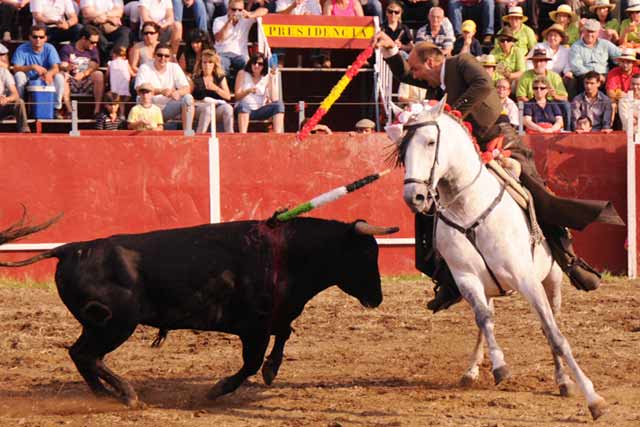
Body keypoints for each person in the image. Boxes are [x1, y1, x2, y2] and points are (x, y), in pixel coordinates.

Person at [374, 33, 621, 312]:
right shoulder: (436, 79)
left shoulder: (461, 62)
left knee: (537, 196)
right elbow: (407, 74)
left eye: (418, 69)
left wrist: (455, 113)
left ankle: (570, 261)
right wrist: (391, 51)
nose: (416, 77)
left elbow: (483, 85)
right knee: (431, 205)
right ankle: (448, 280)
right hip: (464, 150)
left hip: (499, 137)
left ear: (431, 62)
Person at [134, 43, 194, 130]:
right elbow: (138, 89)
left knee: (188, 98)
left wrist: (177, 92)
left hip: (167, 107)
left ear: (170, 58)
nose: (163, 58)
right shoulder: (145, 67)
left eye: (166, 56)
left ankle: (188, 133)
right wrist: (161, 91)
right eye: (160, 55)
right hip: (149, 108)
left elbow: (187, 88)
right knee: (142, 98)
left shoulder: (174, 67)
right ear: (154, 55)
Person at [11, 24, 65, 118]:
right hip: (28, 79)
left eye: (41, 37)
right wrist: (32, 67)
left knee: (59, 77)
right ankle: (20, 107)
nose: (38, 39)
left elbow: (56, 67)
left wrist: (49, 73)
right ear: (29, 37)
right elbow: (16, 68)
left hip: (45, 80)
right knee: (19, 75)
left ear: (45, 38)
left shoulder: (49, 48)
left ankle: (56, 108)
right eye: (35, 37)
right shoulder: (22, 49)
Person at [213, 0, 268, 77]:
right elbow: (219, 38)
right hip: (223, 53)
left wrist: (250, 14)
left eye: (240, 10)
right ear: (228, 9)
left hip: (240, 55)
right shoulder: (219, 20)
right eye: (234, 9)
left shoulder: (245, 19)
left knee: (249, 67)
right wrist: (229, 22)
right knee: (221, 65)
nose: (236, 12)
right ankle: (225, 88)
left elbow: (264, 10)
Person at [516, 48, 569, 128]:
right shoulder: (525, 76)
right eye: (535, 61)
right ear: (532, 62)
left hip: (552, 105)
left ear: (546, 62)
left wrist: (555, 96)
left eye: (541, 61)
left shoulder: (555, 76)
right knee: (523, 107)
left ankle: (567, 130)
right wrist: (535, 103)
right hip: (531, 105)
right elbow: (520, 97)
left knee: (566, 105)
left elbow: (564, 97)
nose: (538, 64)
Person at [59, 25, 104, 116]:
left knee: (99, 74)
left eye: (96, 42)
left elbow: (94, 64)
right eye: (92, 42)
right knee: (63, 75)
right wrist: (67, 67)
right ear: (84, 38)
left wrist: (83, 74)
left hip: (86, 80)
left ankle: (97, 110)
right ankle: (69, 110)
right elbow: (63, 64)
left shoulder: (93, 49)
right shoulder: (68, 48)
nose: (95, 45)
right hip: (71, 80)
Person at [234, 52, 284, 133]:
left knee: (279, 105)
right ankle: (242, 135)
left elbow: (274, 98)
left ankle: (278, 135)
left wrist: (272, 78)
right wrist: (248, 91)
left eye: (260, 64)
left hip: (260, 110)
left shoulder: (266, 77)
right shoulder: (242, 73)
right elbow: (237, 96)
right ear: (250, 63)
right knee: (243, 105)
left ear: (264, 66)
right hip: (243, 109)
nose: (256, 65)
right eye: (254, 63)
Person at [569, 19, 621, 90]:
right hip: (585, 76)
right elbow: (576, 67)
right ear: (583, 31)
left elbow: (619, 56)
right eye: (588, 31)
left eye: (593, 32)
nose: (590, 34)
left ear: (598, 32)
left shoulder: (605, 43)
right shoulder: (575, 46)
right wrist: (596, 76)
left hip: (604, 75)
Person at [528, 23, 576, 98]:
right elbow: (529, 63)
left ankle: (570, 103)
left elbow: (567, 66)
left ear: (561, 38)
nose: (552, 38)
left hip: (556, 79)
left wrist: (568, 73)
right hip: (538, 77)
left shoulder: (566, 50)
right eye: (550, 35)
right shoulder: (539, 46)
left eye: (555, 36)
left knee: (570, 80)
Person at [192, 48, 233, 133]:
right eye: (204, 62)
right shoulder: (195, 78)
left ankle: (230, 136)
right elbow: (190, 98)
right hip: (200, 108)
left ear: (214, 64)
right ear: (200, 64)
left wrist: (216, 88)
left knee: (228, 108)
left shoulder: (219, 77)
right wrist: (202, 101)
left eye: (210, 62)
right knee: (207, 109)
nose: (207, 65)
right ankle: (200, 136)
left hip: (216, 108)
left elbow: (228, 96)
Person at [80, 0, 132, 65]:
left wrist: (104, 16)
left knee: (126, 32)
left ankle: (115, 59)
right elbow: (87, 13)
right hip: (95, 25)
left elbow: (119, 12)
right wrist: (110, 18)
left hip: (113, 27)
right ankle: (107, 60)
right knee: (92, 32)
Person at [0, 48, 30, 133]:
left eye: (2, 55)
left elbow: (15, 94)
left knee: (19, 102)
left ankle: (24, 132)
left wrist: (6, 99)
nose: (2, 58)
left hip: (1, 107)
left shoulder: (3, 72)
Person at [606, 47, 640, 119]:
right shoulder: (613, 72)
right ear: (619, 62)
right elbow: (610, 92)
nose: (625, 64)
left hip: (636, 100)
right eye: (623, 61)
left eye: (628, 62)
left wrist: (626, 95)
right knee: (613, 104)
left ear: (633, 63)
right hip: (620, 101)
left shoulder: (638, 71)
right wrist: (620, 95)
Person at [107, 45, 133, 117]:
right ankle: (121, 114)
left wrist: (106, 82)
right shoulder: (126, 63)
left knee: (117, 101)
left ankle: (118, 115)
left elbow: (107, 74)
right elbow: (132, 73)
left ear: (114, 54)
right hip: (124, 85)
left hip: (115, 87)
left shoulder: (110, 63)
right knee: (122, 102)